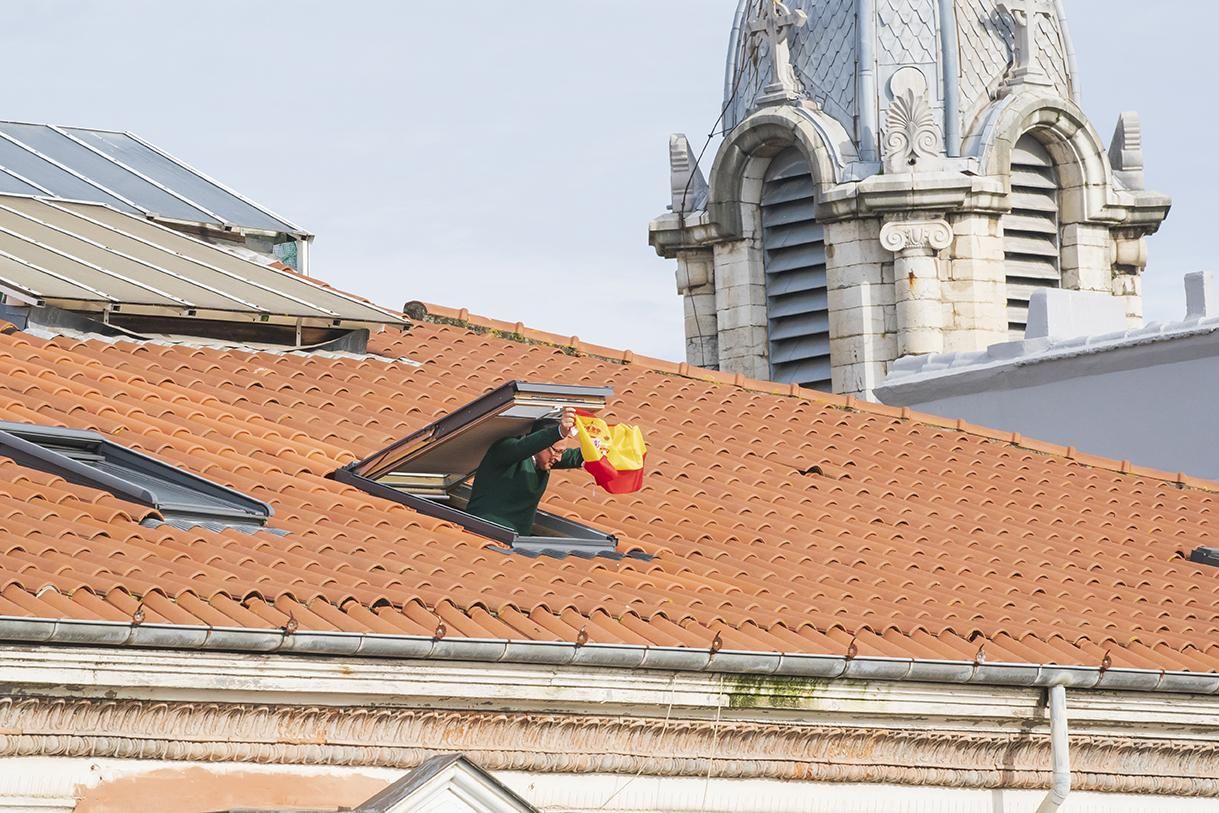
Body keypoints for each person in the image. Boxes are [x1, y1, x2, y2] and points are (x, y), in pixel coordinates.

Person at [466, 406, 584, 534]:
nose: (559, 458)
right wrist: (558, 432)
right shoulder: (505, 450)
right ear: (542, 444)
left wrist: (603, 446)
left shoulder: (546, 459)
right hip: (484, 529)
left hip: (517, 540)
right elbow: (524, 447)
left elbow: (578, 457)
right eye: (557, 451)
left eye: (563, 452)